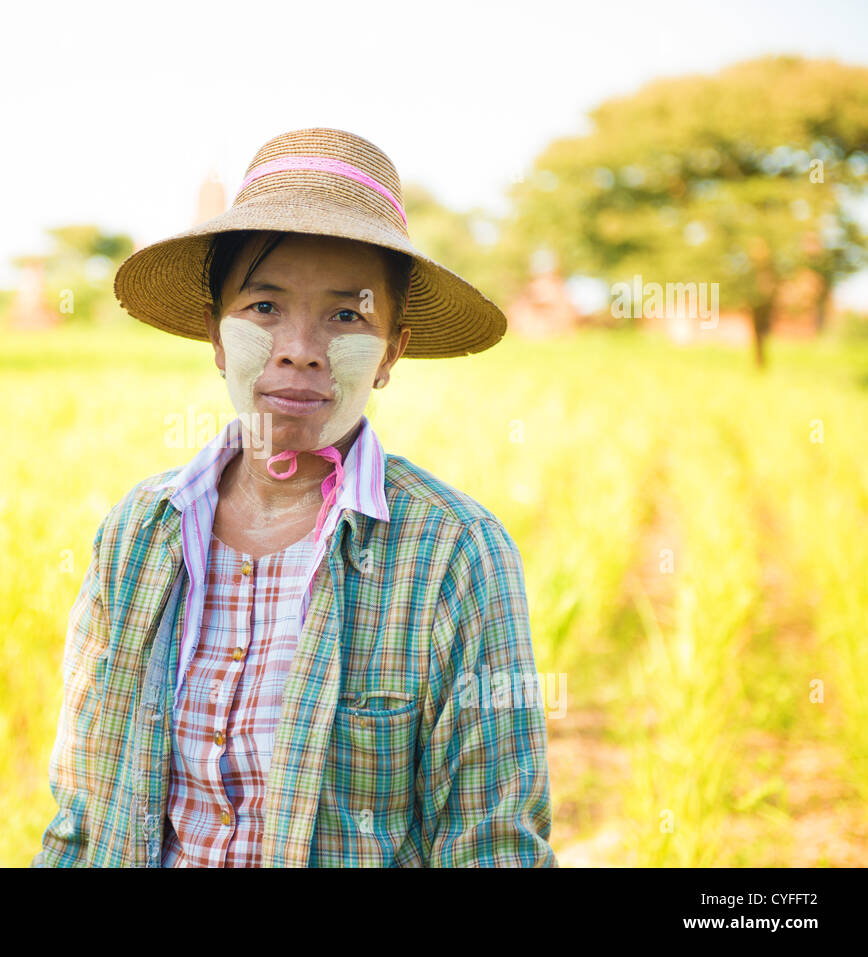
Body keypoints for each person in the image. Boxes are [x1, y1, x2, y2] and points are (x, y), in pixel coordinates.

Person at [33, 128, 557, 867]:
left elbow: (493, 841)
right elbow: (83, 810)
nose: (299, 347)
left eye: (347, 315)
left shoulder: (454, 551)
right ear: (216, 337)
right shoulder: (139, 533)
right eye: (264, 307)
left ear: (390, 353)